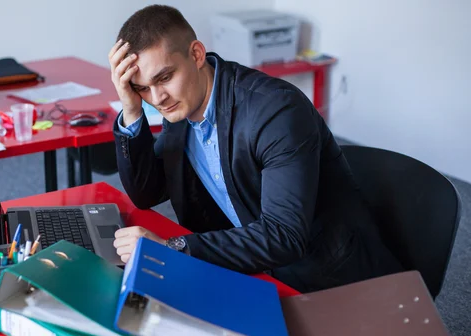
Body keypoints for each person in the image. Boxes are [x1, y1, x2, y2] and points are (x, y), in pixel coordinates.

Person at [109, 5, 402, 293]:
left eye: (164, 77)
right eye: (142, 88)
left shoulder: (276, 111)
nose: (157, 98)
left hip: (326, 279)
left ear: (197, 55)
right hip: (249, 266)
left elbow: (283, 236)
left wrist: (174, 248)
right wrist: (131, 110)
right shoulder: (180, 107)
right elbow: (146, 193)